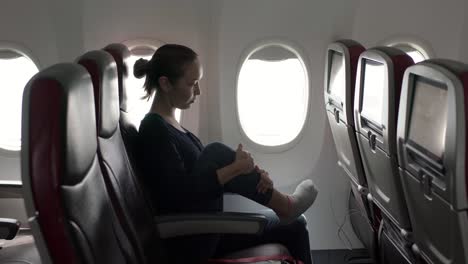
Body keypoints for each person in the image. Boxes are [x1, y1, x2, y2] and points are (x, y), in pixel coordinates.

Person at [134, 44, 318, 264]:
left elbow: (208, 180)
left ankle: (285, 205)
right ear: (165, 83)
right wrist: (235, 169)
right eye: (192, 84)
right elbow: (179, 195)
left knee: (296, 225)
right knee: (213, 153)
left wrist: (254, 176)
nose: (199, 91)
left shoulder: (172, 126)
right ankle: (286, 205)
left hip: (205, 227)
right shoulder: (153, 130)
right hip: (188, 238)